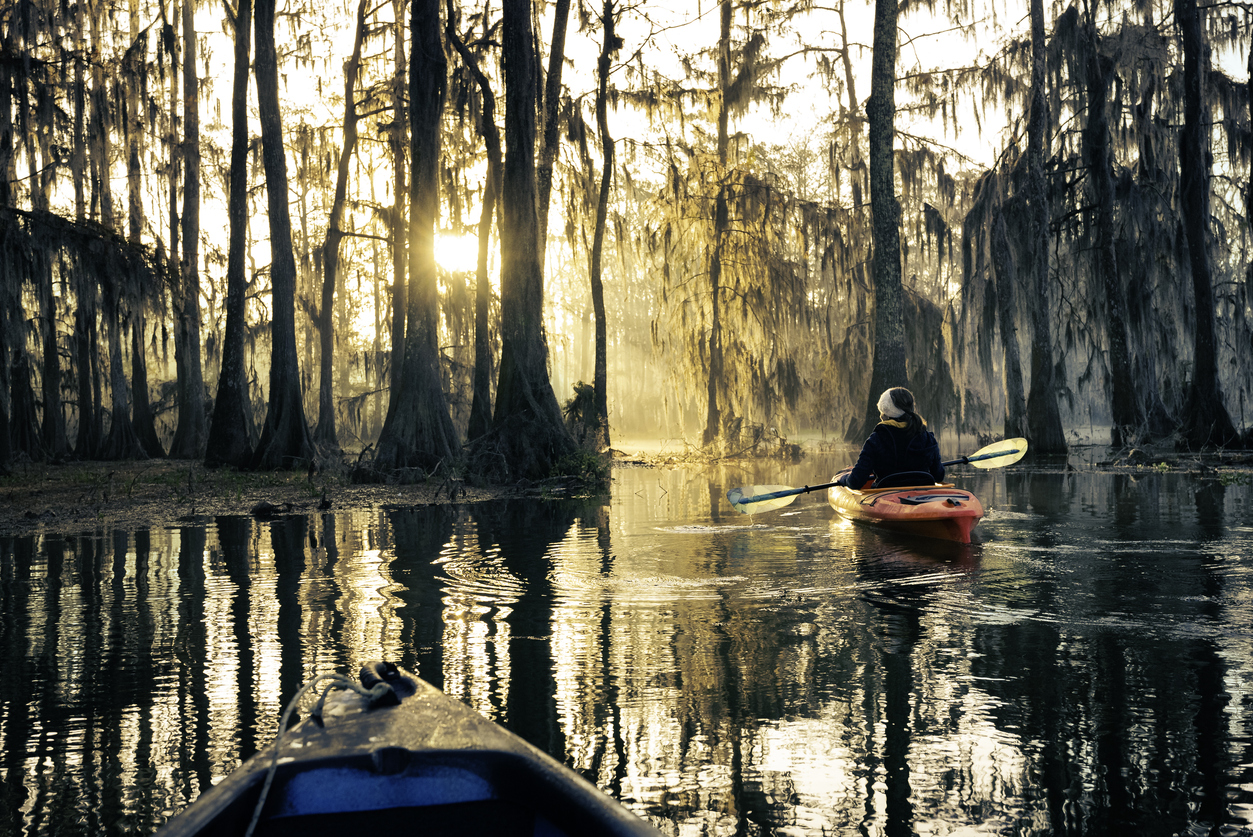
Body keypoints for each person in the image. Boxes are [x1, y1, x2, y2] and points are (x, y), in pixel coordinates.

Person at [835, 387, 945, 488]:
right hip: (923, 496)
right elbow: (939, 476)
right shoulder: (927, 438)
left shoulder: (876, 439)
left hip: (887, 494)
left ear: (884, 413)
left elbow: (855, 482)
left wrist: (844, 479)